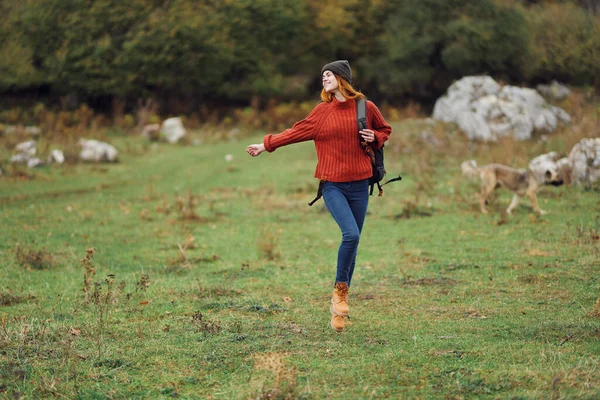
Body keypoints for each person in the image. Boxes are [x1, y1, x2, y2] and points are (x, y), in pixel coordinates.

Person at [246, 60, 392, 332]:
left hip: (360, 184)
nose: (324, 78)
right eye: (322, 75)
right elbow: (296, 132)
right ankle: (339, 293)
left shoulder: (365, 107)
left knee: (354, 242)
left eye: (329, 74)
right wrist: (265, 145)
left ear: (342, 78)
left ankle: (339, 304)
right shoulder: (322, 112)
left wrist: (375, 137)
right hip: (332, 185)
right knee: (351, 235)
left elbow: (385, 131)